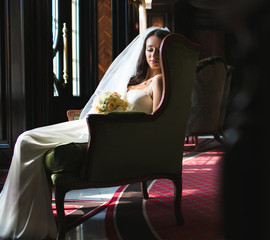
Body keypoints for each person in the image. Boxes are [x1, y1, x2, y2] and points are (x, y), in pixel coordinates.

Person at [0, 27, 170, 240]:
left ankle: (29, 225)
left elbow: (156, 121)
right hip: (94, 126)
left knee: (26, 142)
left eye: (158, 50)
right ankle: (18, 218)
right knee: (25, 140)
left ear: (166, 52)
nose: (153, 56)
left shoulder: (159, 81)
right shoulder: (136, 81)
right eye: (149, 50)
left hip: (110, 134)